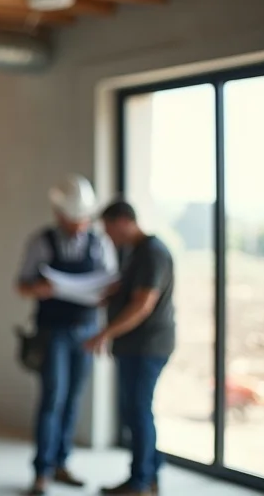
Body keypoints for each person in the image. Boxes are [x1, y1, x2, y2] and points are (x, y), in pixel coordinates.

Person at [15, 174, 118, 495]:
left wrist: (105, 295)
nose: (80, 224)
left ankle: (62, 462)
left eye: (84, 218)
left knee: (73, 399)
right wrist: (40, 289)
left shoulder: (100, 243)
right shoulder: (40, 242)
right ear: (59, 214)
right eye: (74, 219)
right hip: (52, 331)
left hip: (86, 329)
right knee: (52, 399)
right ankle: (42, 470)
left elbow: (111, 282)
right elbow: (20, 286)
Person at [85, 200, 175, 496]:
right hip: (133, 347)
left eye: (109, 228)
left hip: (147, 347)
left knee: (138, 411)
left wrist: (105, 333)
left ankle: (141, 482)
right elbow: (131, 293)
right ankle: (147, 476)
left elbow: (143, 305)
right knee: (135, 411)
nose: (109, 236)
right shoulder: (135, 253)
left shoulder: (152, 254)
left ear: (124, 221)